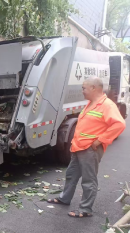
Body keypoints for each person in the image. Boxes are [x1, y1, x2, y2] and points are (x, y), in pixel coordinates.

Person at [48, 77, 126, 217]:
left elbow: (119, 124)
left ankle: (85, 209)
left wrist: (100, 140)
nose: (82, 91)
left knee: (88, 180)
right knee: (71, 175)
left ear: (94, 88)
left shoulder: (107, 105)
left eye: (84, 88)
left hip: (91, 149)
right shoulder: (91, 103)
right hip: (79, 147)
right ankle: (65, 198)